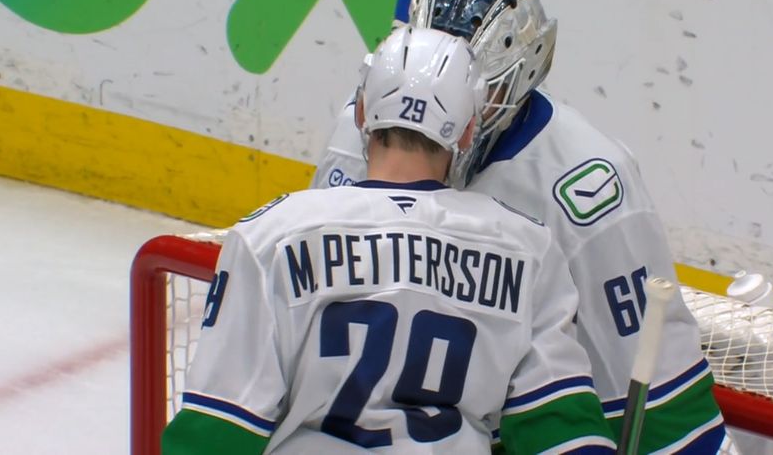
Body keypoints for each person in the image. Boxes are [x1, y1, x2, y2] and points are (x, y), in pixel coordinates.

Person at [311, 0, 728, 453]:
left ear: (518, 77)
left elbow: (660, 399)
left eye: (472, 91)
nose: (450, 112)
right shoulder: (362, 129)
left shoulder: (589, 190)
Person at [162, 26, 616, 454]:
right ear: (468, 132)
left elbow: (216, 432)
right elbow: (563, 431)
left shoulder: (272, 236)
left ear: (361, 113)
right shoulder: (529, 249)